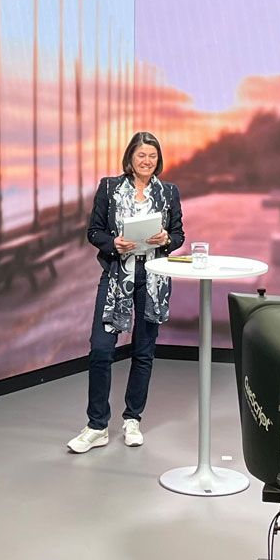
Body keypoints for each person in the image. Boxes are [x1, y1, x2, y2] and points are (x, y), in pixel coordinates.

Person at [68, 132, 185, 454]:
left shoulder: (169, 192)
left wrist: (166, 240)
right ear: (130, 158)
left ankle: (133, 419)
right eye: (141, 155)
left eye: (152, 156)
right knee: (101, 350)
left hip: (153, 279)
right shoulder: (109, 188)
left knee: (144, 352)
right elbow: (94, 232)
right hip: (116, 277)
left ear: (158, 160)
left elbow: (178, 235)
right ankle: (97, 425)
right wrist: (113, 243)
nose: (147, 161)